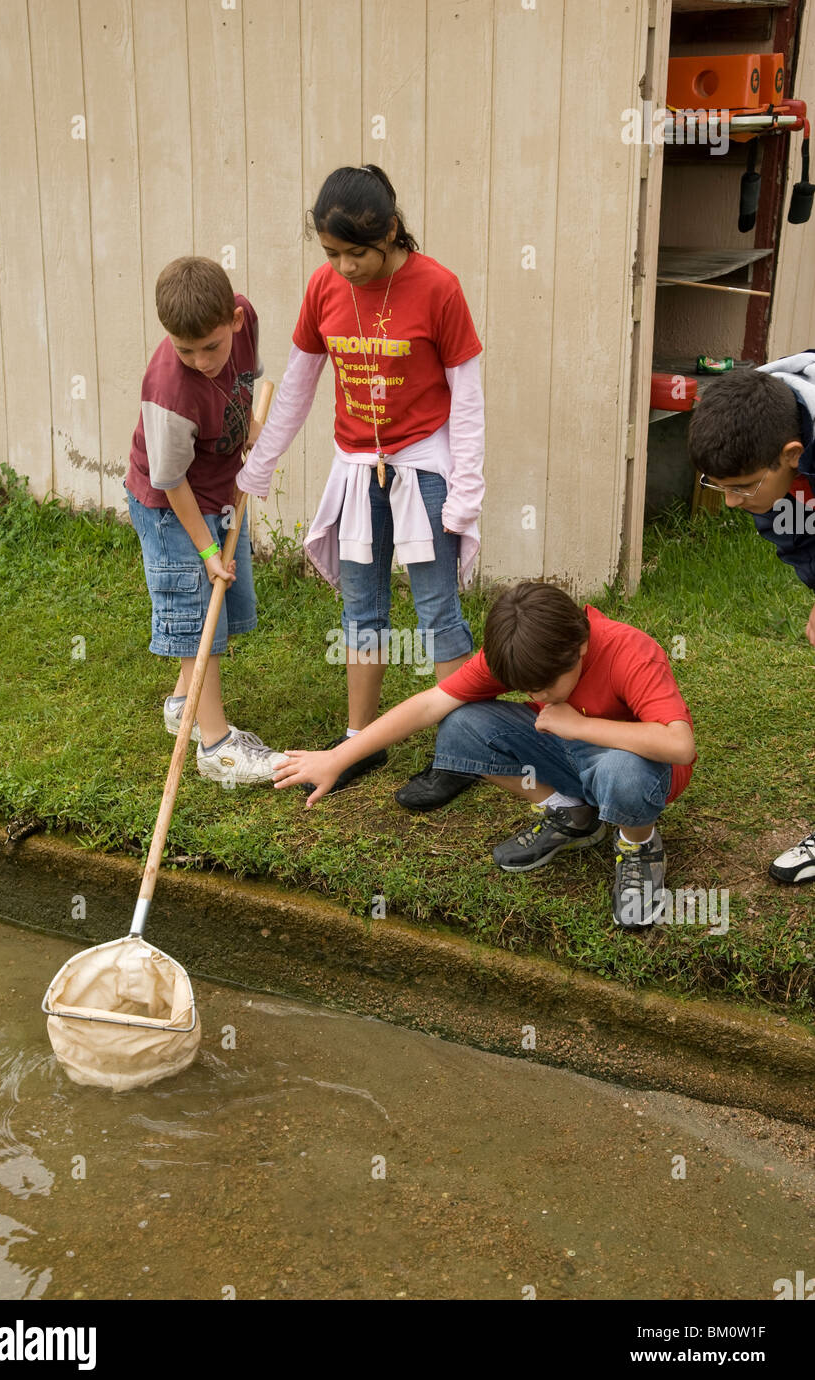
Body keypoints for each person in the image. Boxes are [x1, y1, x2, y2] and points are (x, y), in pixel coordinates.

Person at [237, 164, 485, 795]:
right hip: (355, 469)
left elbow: (468, 398)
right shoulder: (323, 289)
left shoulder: (439, 288)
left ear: (392, 231)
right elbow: (295, 387)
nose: (344, 267)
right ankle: (357, 743)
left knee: (436, 608)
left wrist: (466, 490)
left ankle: (458, 754)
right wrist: (260, 463)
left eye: (357, 253)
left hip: (423, 466)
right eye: (331, 253)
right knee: (360, 609)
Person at [272, 582, 696, 928]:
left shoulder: (629, 650)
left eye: (545, 687)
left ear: (580, 649)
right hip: (566, 755)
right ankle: (570, 812)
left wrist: (579, 725)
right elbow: (428, 705)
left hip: (638, 769)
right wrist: (338, 757)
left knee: (623, 773)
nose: (536, 697)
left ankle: (638, 844)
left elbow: (680, 745)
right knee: (461, 725)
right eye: (526, 689)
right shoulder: (520, 650)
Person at [124, 256, 286, 784]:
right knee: (198, 611)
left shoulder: (246, 319)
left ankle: (182, 705)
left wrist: (251, 429)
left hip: (218, 487)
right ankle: (216, 747)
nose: (199, 360)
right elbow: (171, 483)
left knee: (219, 604)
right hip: (171, 507)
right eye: (184, 349)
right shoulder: (170, 393)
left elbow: (245, 381)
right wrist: (208, 552)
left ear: (234, 321)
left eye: (211, 346)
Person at [688, 350, 815, 883]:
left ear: (791, 453)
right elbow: (796, 533)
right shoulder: (757, 416)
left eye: (742, 487)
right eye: (720, 486)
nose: (733, 503)